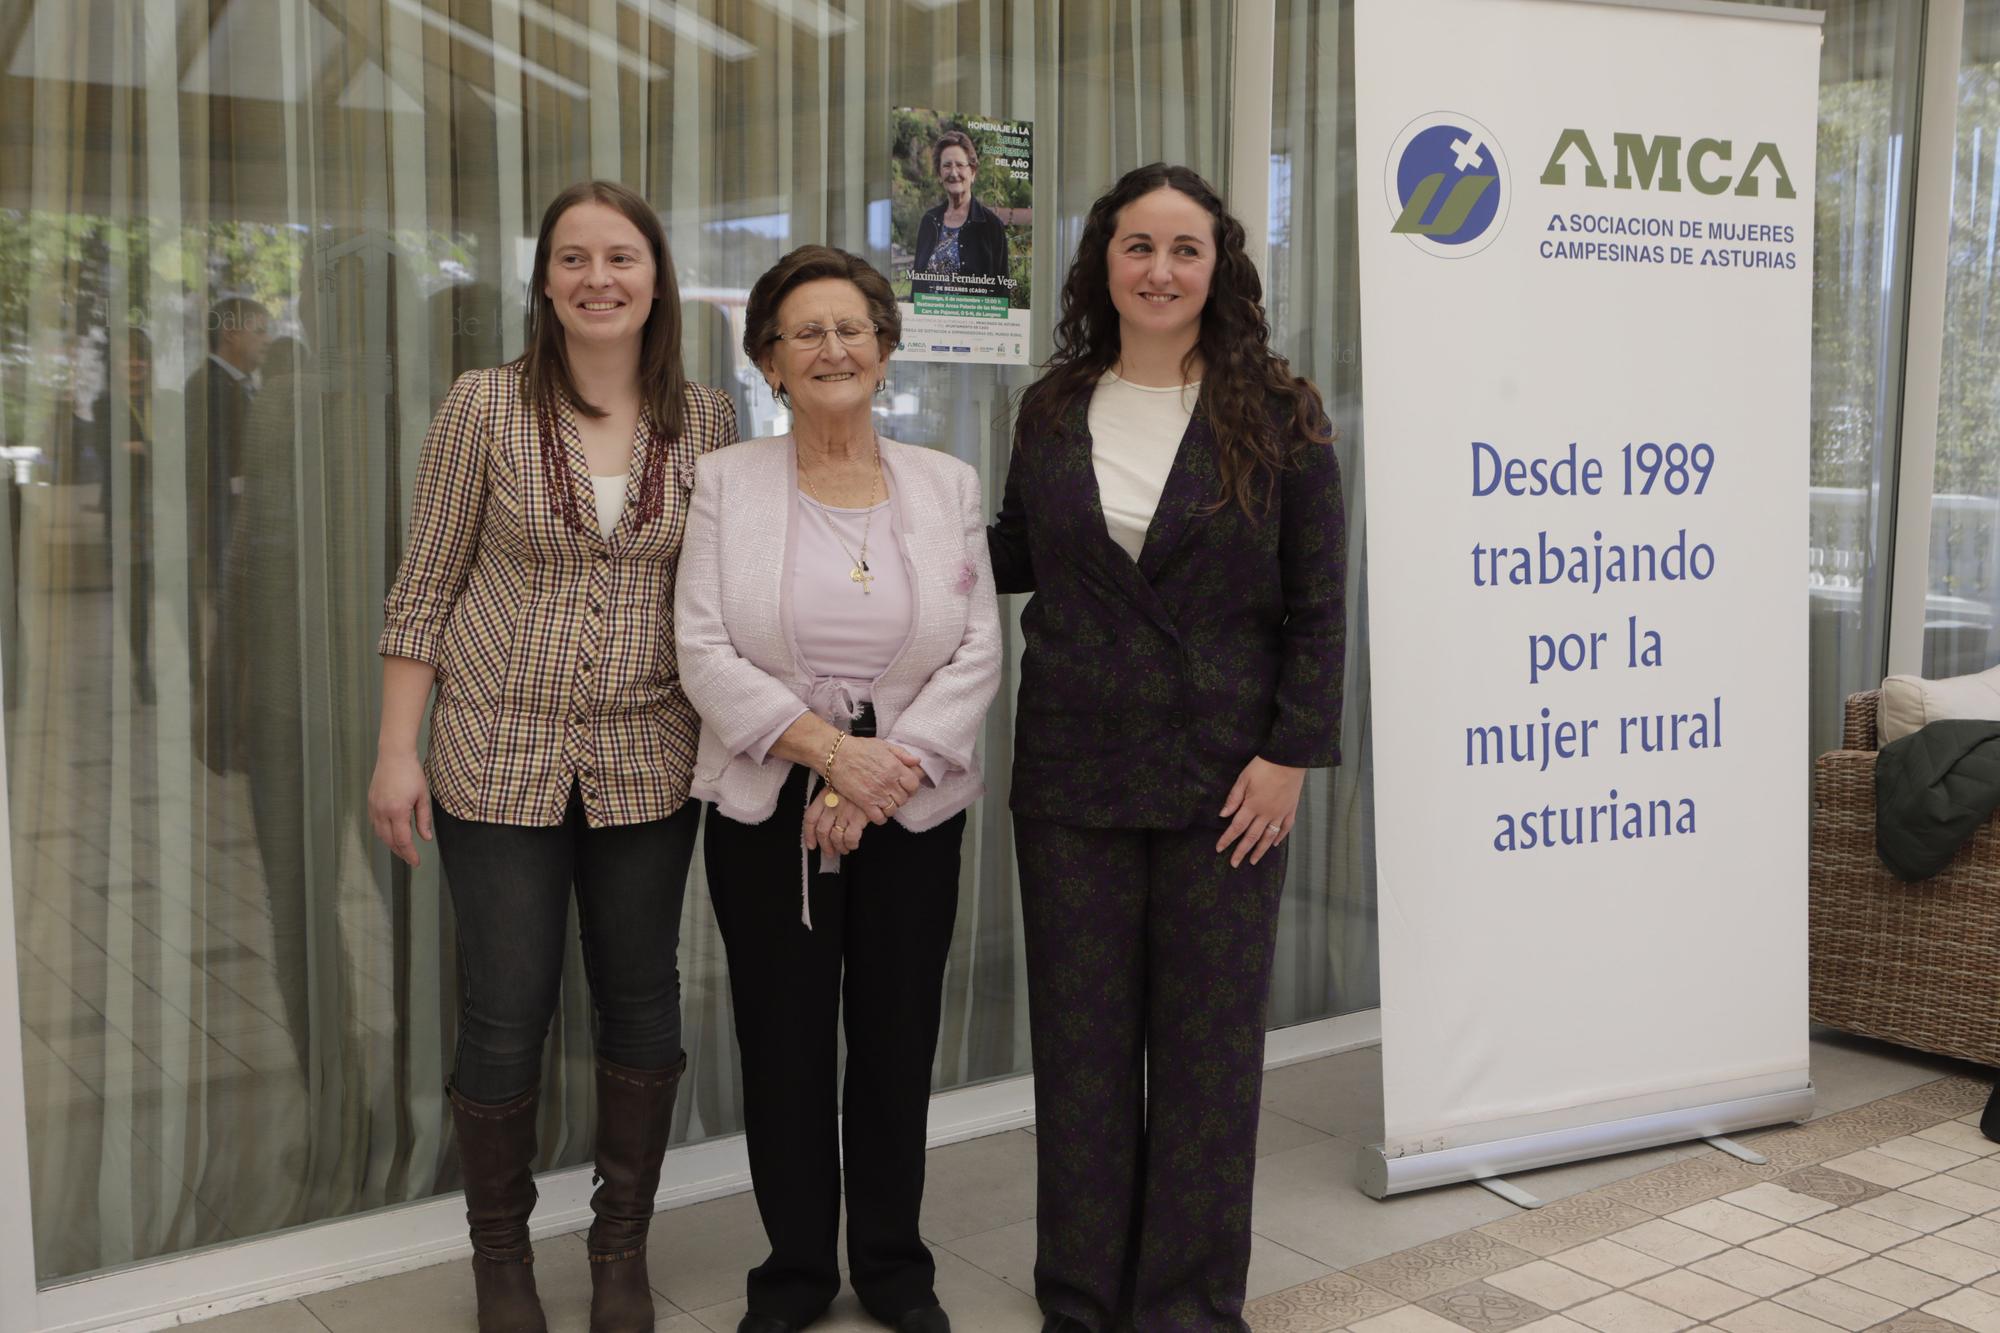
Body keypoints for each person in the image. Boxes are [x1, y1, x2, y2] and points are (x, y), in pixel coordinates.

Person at [369, 179, 738, 1333]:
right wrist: (396, 749)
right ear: (543, 282)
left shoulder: (712, 419)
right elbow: (424, 588)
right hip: (495, 749)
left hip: (649, 751)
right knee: (506, 1007)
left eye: (620, 257)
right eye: (572, 259)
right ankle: (501, 1263)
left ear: (655, 278)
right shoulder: (481, 406)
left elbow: (727, 595)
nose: (597, 278)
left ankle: (620, 1249)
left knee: (642, 1004)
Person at [987, 163, 1347, 1333]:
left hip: (1227, 783)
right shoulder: (1050, 408)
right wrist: (865, 507)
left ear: (1217, 267)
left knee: (1206, 1062)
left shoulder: (1278, 413)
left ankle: (1188, 1305)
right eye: (1135, 246)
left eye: (1182, 248)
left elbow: (1319, 602)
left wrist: (1290, 753)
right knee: (1082, 1059)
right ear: (1102, 261)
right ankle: (1081, 1301)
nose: (1158, 270)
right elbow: (1007, 555)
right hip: (1072, 777)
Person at [675, 244, 1000, 1333]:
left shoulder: (947, 483)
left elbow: (978, 652)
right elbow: (703, 647)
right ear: (767, 360)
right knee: (784, 1042)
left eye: (850, 327)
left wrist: (880, 772)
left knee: (896, 1040)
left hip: (909, 806)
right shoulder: (722, 483)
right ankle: (796, 1273)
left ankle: (895, 1268)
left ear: (885, 346)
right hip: (770, 805)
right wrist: (827, 753)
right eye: (803, 332)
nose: (830, 348)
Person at [910, 129, 1009, 295]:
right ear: (940, 174)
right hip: (930, 318)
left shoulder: (992, 226)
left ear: (973, 172)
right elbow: (917, 286)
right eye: (947, 166)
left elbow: (1002, 292)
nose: (953, 173)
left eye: (960, 165)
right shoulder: (929, 221)